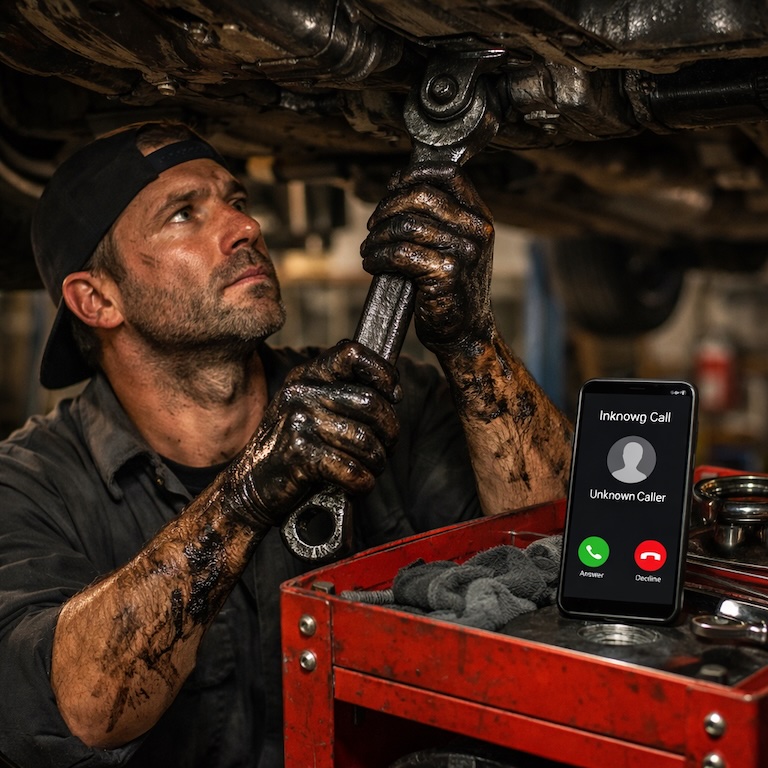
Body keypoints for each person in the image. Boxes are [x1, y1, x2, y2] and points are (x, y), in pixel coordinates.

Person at [0, 121, 572, 768]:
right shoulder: (30, 486)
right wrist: (243, 500)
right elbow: (79, 708)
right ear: (97, 299)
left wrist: (471, 341)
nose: (244, 228)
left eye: (236, 200)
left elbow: (556, 551)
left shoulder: (375, 404)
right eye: (184, 214)